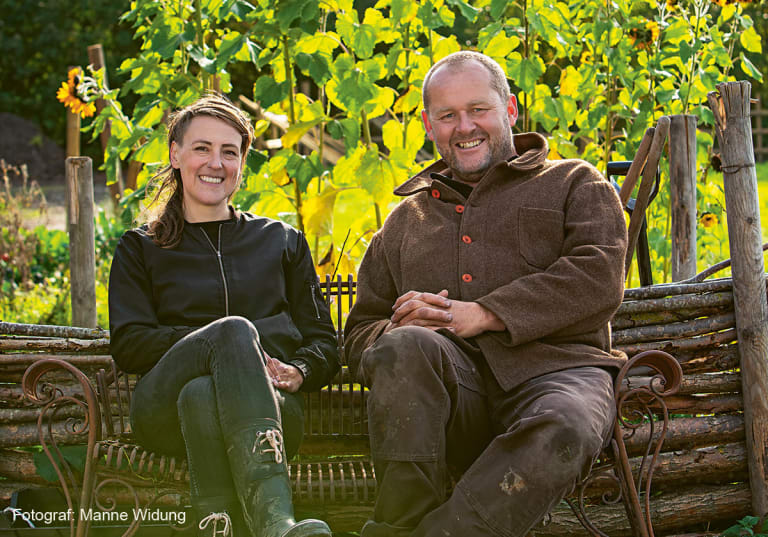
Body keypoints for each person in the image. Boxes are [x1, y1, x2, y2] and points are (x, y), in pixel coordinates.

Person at [344, 51, 629, 537]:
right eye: (448, 115)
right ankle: (397, 524)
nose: (465, 126)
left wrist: (484, 313)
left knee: (566, 425)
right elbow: (357, 334)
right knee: (404, 345)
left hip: (560, 374)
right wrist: (396, 330)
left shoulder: (573, 181)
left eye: (479, 109)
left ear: (510, 110)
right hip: (454, 401)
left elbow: (598, 275)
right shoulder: (403, 222)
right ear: (428, 126)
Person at [108, 94, 339, 537]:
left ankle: (217, 524)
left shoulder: (282, 241)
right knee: (229, 338)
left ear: (242, 162)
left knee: (203, 394)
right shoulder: (141, 248)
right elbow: (130, 343)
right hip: (162, 415)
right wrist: (221, 344)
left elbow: (325, 343)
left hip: (272, 419)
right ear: (176, 155)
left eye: (229, 151)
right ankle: (276, 523)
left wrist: (300, 368)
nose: (215, 163)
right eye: (201, 148)